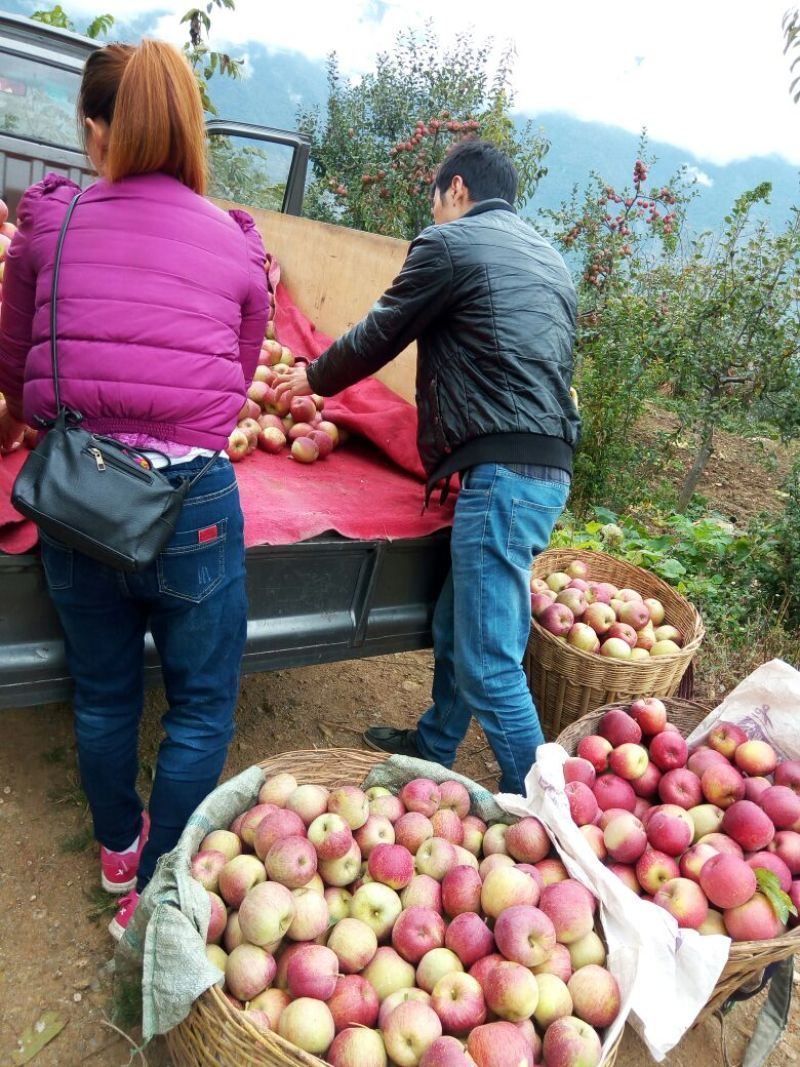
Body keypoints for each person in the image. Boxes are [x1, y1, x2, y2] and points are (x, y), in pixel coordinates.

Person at [0, 40, 268, 938]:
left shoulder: (52, 223)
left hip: (77, 497)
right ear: (193, 129)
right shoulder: (234, 244)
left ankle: (119, 844)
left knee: (104, 692)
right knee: (200, 703)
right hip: (192, 507)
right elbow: (232, 386)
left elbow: (13, 365)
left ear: (92, 128)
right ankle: (153, 890)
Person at [277, 139, 580, 796]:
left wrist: (313, 377)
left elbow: (383, 330)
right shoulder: (549, 259)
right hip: (543, 468)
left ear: (458, 189)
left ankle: (544, 809)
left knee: (490, 661)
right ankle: (434, 745)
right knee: (456, 622)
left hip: (503, 472)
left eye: (436, 198)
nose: (434, 212)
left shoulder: (451, 245)